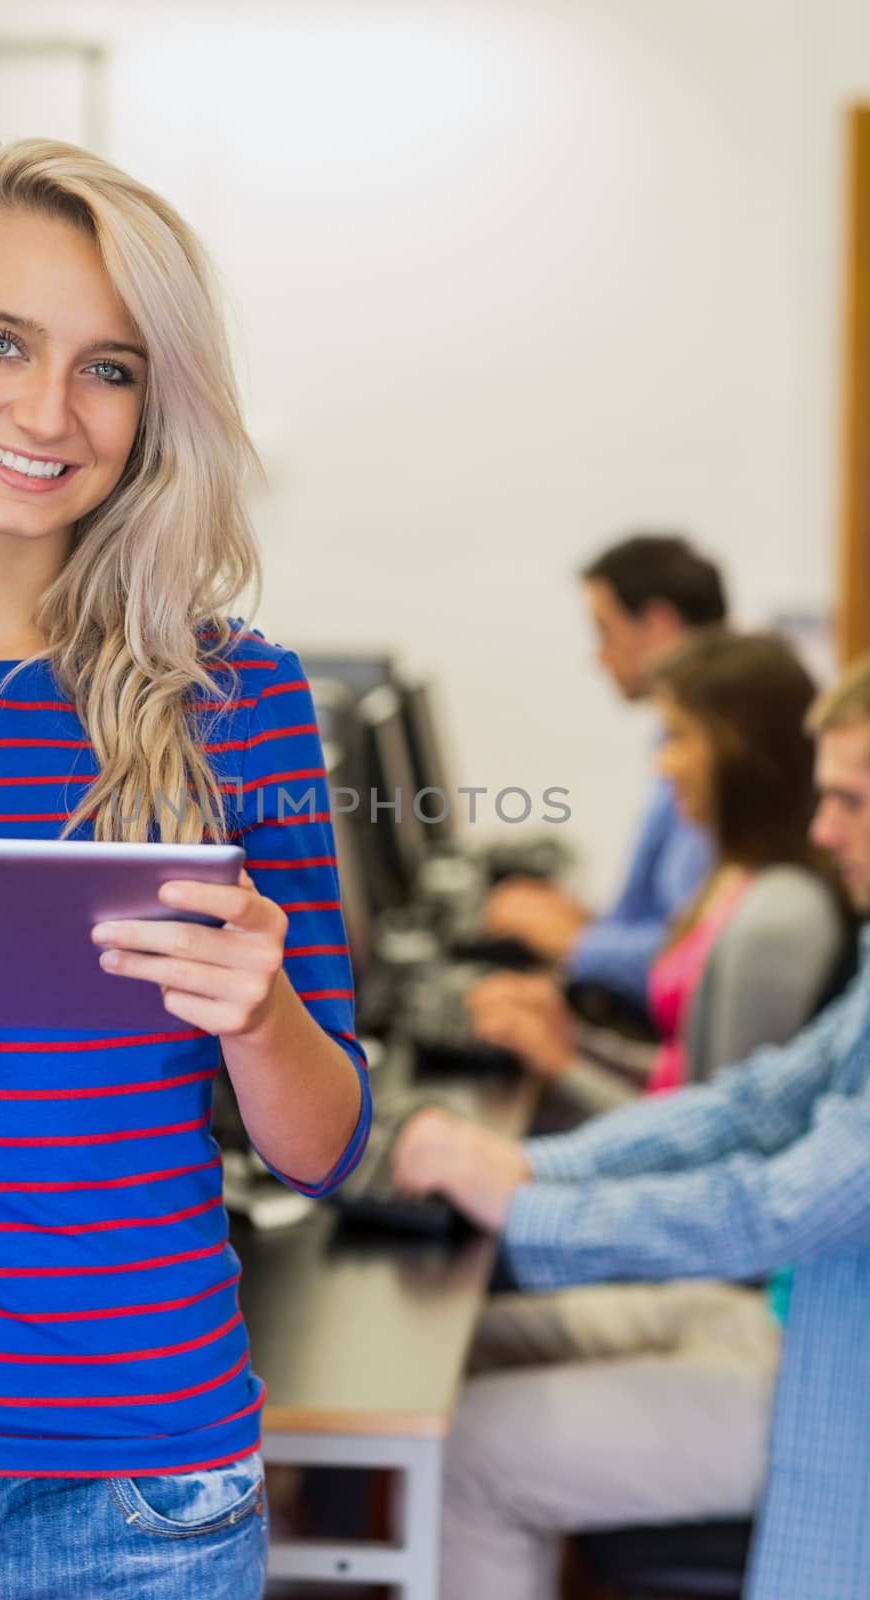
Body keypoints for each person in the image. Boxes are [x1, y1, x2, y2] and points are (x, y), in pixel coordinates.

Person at [0, 138, 369, 1598]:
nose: (48, 412)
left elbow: (319, 1145)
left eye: (110, 367)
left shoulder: (236, 698)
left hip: (143, 1498)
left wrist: (260, 1016)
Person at [391, 651, 870, 1600]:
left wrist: (526, 1208)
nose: (822, 830)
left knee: (473, 1447)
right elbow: (755, 1103)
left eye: (851, 802)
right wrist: (525, 1167)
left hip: (836, 1375)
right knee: (454, 1361)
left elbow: (772, 1209)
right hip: (801, 1315)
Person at [467, 629, 847, 1115]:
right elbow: (685, 1078)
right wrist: (572, 1041)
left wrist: (563, 1067)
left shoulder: (778, 916)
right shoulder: (737, 878)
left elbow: (715, 1135)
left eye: (679, 737)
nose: (663, 763)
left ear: (741, 753)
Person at [484, 534, 725, 1010]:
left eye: (604, 630)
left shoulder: (718, 759)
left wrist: (579, 944)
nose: (598, 655)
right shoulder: (677, 741)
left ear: (657, 626)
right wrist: (587, 924)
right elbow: (672, 917)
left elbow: (699, 957)